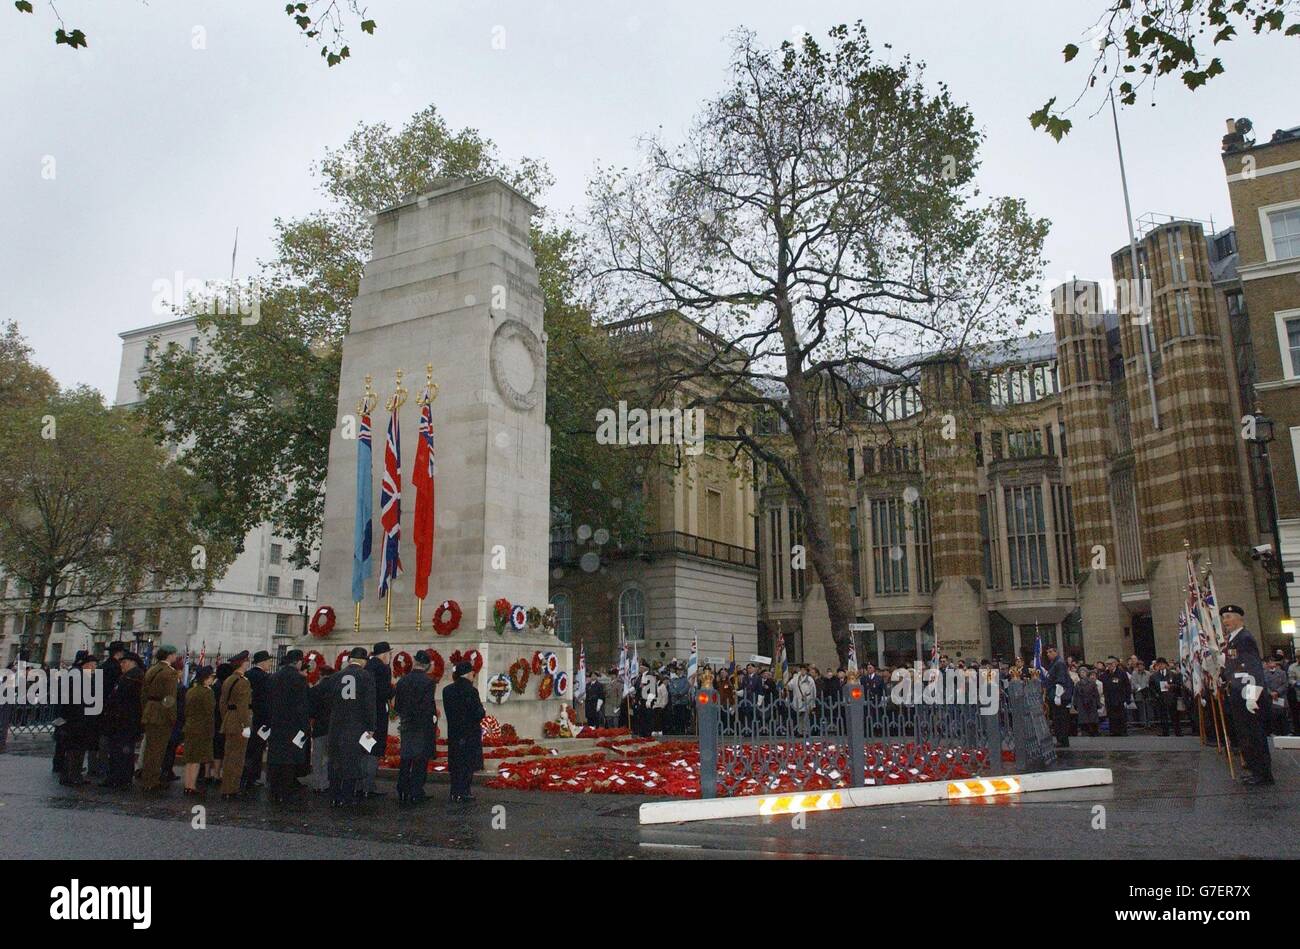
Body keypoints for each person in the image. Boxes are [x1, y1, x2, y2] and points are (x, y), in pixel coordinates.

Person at [1220, 604, 1273, 786]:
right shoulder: (1232, 640)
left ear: (1239, 618)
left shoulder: (1245, 638)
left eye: (1228, 617)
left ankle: (1263, 774)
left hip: (1246, 694)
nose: (1225, 621)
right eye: (1224, 617)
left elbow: (1253, 669)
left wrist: (1252, 696)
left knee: (1254, 735)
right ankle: (1255, 770)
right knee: (1245, 735)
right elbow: (1233, 667)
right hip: (1237, 693)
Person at [328, 647, 375, 807]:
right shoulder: (366, 676)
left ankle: (334, 795)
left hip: (336, 724)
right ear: (363, 661)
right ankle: (347, 796)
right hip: (355, 725)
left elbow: (328, 699)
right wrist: (371, 726)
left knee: (335, 761)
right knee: (352, 762)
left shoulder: (336, 676)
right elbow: (369, 704)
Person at [394, 650, 439, 805]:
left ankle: (402, 789)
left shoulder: (402, 681)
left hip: (407, 724)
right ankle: (416, 791)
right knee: (420, 760)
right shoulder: (428, 682)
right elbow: (427, 705)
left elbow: (397, 706)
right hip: (422, 725)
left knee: (406, 759)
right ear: (426, 665)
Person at [267, 650, 310, 803]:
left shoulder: (274, 677)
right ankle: (286, 791)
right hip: (293, 725)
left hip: (276, 723)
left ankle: (274, 789)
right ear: (298, 662)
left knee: (276, 757)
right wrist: (304, 727)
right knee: (289, 759)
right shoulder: (298, 679)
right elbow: (302, 705)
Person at [442, 659, 485, 803]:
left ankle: (454, 791)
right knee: (467, 764)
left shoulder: (447, 690)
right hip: (469, 732)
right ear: (468, 674)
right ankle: (464, 791)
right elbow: (477, 713)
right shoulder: (471, 691)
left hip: (454, 732)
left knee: (455, 763)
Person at [100, 652, 145, 789]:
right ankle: (117, 776)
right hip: (120, 720)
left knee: (123, 751)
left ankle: (121, 778)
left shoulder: (134, 678)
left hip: (126, 720)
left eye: (124, 662)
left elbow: (129, 700)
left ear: (132, 663)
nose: (122, 665)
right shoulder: (126, 677)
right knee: (117, 750)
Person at [138, 646, 179, 791]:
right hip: (161, 714)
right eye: (174, 654)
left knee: (150, 748)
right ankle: (152, 780)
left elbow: (143, 693)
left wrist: (147, 709)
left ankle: (147, 778)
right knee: (158, 750)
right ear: (169, 656)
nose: (176, 656)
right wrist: (172, 717)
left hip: (150, 710)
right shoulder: (170, 673)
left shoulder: (152, 670)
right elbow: (170, 698)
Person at [58, 651, 99, 785]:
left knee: (75, 748)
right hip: (78, 719)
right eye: (93, 665)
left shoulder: (79, 676)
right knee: (76, 749)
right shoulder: (80, 677)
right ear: (86, 665)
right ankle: (72, 775)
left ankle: (72, 775)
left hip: (76, 718)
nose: (94, 668)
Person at [219, 652, 254, 799]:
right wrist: (246, 725)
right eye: (247, 661)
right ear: (243, 663)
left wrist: (226, 718)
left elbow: (222, 703)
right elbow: (243, 707)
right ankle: (231, 789)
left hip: (229, 719)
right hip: (239, 722)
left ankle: (226, 787)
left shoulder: (229, 680)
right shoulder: (243, 682)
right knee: (237, 758)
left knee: (228, 756)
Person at [363, 642, 393, 798]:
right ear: (384, 655)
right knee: (374, 749)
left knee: (365, 748)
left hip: (365, 714)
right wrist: (393, 691)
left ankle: (360, 784)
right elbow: (385, 691)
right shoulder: (383, 668)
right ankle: (368, 785)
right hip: (378, 713)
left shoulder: (367, 667)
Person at [241, 650, 275, 791]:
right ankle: (252, 777)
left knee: (248, 749)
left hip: (249, 716)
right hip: (261, 718)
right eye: (268, 661)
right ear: (262, 662)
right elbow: (268, 700)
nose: (269, 664)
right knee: (257, 749)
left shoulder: (247, 675)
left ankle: (245, 775)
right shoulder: (265, 678)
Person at [182, 666, 216, 795]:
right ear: (206, 679)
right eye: (211, 677)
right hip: (202, 728)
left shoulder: (191, 691)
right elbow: (209, 712)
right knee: (196, 759)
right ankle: (191, 785)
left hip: (190, 725)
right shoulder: (208, 692)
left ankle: (187, 784)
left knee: (189, 758)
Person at [308, 666, 335, 792]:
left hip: (319, 727)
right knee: (330, 757)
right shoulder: (336, 689)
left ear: (321, 675)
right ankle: (326, 782)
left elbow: (311, 712)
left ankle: (316, 783)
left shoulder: (315, 690)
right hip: (333, 727)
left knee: (317, 757)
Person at [1043, 646, 1074, 747]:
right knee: (1057, 718)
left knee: (1061, 718)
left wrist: (1058, 695)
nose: (1048, 654)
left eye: (1050, 652)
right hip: (1054, 694)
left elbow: (1060, 681)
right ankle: (1061, 739)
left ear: (1056, 652)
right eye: (1047, 652)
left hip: (1059, 696)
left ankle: (1062, 740)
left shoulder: (1059, 663)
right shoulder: (1053, 664)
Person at [1149, 657, 1182, 737]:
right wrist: (1156, 695)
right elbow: (1151, 687)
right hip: (1161, 698)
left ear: (1165, 665)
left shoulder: (1172, 674)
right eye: (1159, 664)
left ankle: (1177, 731)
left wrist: (1171, 686)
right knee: (1163, 716)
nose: (1160, 665)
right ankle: (1165, 732)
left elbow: (1178, 685)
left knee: (1174, 715)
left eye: (1162, 664)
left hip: (1171, 697)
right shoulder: (1154, 676)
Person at [1099, 656, 1131, 736]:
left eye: (1110, 664)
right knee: (1112, 716)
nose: (1108, 666)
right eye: (1107, 665)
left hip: (1120, 698)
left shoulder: (1121, 673)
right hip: (1109, 699)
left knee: (1121, 716)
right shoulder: (1105, 674)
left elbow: (1127, 686)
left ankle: (1123, 731)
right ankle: (1113, 731)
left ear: (1114, 664)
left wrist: (1127, 698)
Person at [1072, 668, 1100, 736]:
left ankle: (1094, 732)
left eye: (1083, 672)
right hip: (1081, 703)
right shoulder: (1078, 684)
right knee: (1084, 720)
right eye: (1081, 672)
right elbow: (1075, 694)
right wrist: (1075, 704)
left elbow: (1096, 694)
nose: (1082, 673)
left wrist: (1097, 703)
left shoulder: (1092, 683)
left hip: (1091, 703)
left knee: (1092, 719)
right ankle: (1085, 732)